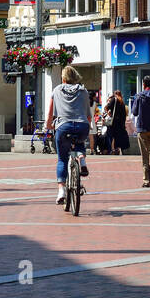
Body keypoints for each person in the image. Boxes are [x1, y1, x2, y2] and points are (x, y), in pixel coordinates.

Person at [46, 65, 91, 205]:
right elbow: (88, 116)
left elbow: (50, 113)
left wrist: (48, 126)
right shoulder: (83, 91)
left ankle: (61, 191)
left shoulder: (57, 90)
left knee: (62, 159)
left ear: (63, 78)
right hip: (82, 126)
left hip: (63, 127)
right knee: (79, 143)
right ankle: (82, 160)